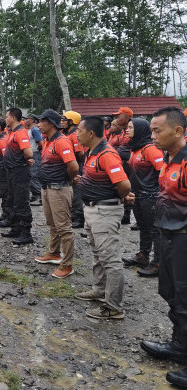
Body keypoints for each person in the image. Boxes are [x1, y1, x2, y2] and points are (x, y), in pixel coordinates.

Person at [140, 107, 187, 387]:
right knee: (172, 295)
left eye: (157, 130)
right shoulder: (168, 161)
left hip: (184, 238)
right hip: (168, 237)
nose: (152, 135)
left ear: (178, 131)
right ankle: (180, 346)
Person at [74, 115, 133, 319]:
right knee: (98, 254)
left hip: (105, 211)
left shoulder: (107, 154)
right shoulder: (92, 152)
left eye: (79, 130)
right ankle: (99, 290)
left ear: (90, 133)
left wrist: (117, 196)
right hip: (92, 210)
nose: (76, 133)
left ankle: (114, 306)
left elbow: (124, 185)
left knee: (110, 258)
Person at [34, 110, 79, 278]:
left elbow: (73, 166)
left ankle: (67, 265)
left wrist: (67, 179)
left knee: (64, 228)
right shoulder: (48, 141)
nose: (38, 124)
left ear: (51, 123)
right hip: (47, 188)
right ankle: (54, 253)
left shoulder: (62, 141)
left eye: (41, 121)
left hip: (59, 188)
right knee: (52, 224)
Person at [120, 118, 163, 277]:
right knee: (143, 227)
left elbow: (162, 171)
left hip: (150, 196)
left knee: (155, 230)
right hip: (138, 195)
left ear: (139, 129)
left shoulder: (150, 149)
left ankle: (158, 263)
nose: (127, 130)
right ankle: (143, 256)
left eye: (131, 127)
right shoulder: (136, 148)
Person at [2, 107, 35, 245]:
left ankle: (26, 233)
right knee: (13, 201)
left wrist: (23, 159)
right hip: (12, 171)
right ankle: (15, 228)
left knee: (21, 202)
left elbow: (28, 153)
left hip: (19, 171)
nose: (5, 118)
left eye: (7, 116)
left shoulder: (20, 132)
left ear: (13, 118)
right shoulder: (12, 132)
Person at [61, 111, 85, 229]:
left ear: (72, 121)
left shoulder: (75, 135)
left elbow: (81, 153)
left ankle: (79, 217)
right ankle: (73, 214)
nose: (62, 122)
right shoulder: (65, 134)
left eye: (64, 120)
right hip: (68, 165)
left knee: (76, 192)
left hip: (76, 165)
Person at [23, 114, 43, 206]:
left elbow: (40, 143)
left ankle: (40, 196)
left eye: (27, 119)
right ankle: (35, 195)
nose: (25, 120)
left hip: (34, 154)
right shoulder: (29, 130)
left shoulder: (35, 130)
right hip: (30, 154)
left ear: (32, 120)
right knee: (29, 175)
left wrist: (36, 151)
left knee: (34, 175)